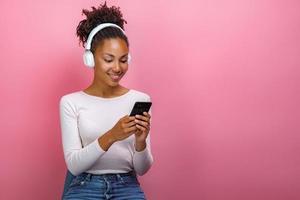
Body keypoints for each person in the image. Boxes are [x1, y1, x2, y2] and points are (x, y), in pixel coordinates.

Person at [59, 2, 154, 199]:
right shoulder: (70, 102)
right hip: (85, 185)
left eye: (123, 59)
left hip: (126, 185)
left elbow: (142, 169)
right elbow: (74, 165)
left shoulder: (140, 99)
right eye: (109, 59)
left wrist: (141, 142)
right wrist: (111, 135)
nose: (117, 68)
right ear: (90, 59)